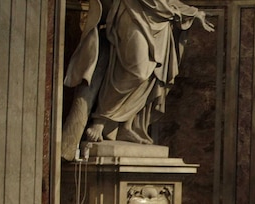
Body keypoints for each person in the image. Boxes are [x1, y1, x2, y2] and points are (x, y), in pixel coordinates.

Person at [62, 0, 214, 154]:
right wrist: (185, 12)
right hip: (133, 10)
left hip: (160, 20)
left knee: (151, 74)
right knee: (137, 71)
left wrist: (191, 11)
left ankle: (126, 126)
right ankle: (100, 120)